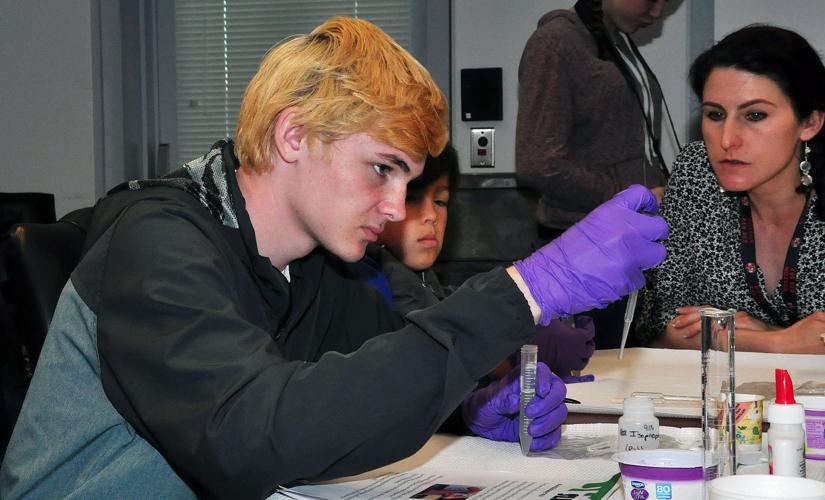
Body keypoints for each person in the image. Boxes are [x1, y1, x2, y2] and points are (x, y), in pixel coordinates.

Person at [0, 17, 668, 499]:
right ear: (293, 135)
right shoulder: (157, 244)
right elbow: (249, 438)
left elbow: (363, 382)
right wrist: (527, 289)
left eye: (406, 179)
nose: (396, 206)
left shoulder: (317, 261)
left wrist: (464, 401)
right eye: (380, 169)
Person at [636, 25, 825, 354]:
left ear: (809, 122)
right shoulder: (697, 172)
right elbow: (660, 323)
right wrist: (776, 342)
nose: (727, 140)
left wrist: (730, 334)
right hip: (727, 398)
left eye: (755, 115)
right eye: (715, 115)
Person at [360, 142, 596, 387]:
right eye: (412, 199)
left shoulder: (420, 278)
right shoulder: (375, 284)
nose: (431, 215)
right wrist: (517, 353)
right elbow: (439, 358)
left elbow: (445, 307)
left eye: (440, 201)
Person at [515, 0, 676, 348]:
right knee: (596, 379)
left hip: (623, 241)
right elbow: (539, 162)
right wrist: (630, 195)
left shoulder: (615, 41)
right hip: (583, 251)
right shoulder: (555, 43)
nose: (657, 12)